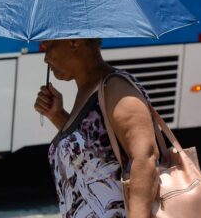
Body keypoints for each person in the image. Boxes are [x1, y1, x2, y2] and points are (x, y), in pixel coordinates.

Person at [34, 38, 159, 217]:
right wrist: (57, 114)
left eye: (48, 48)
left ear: (74, 42)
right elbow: (91, 152)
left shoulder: (116, 87)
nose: (45, 58)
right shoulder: (87, 90)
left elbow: (145, 159)